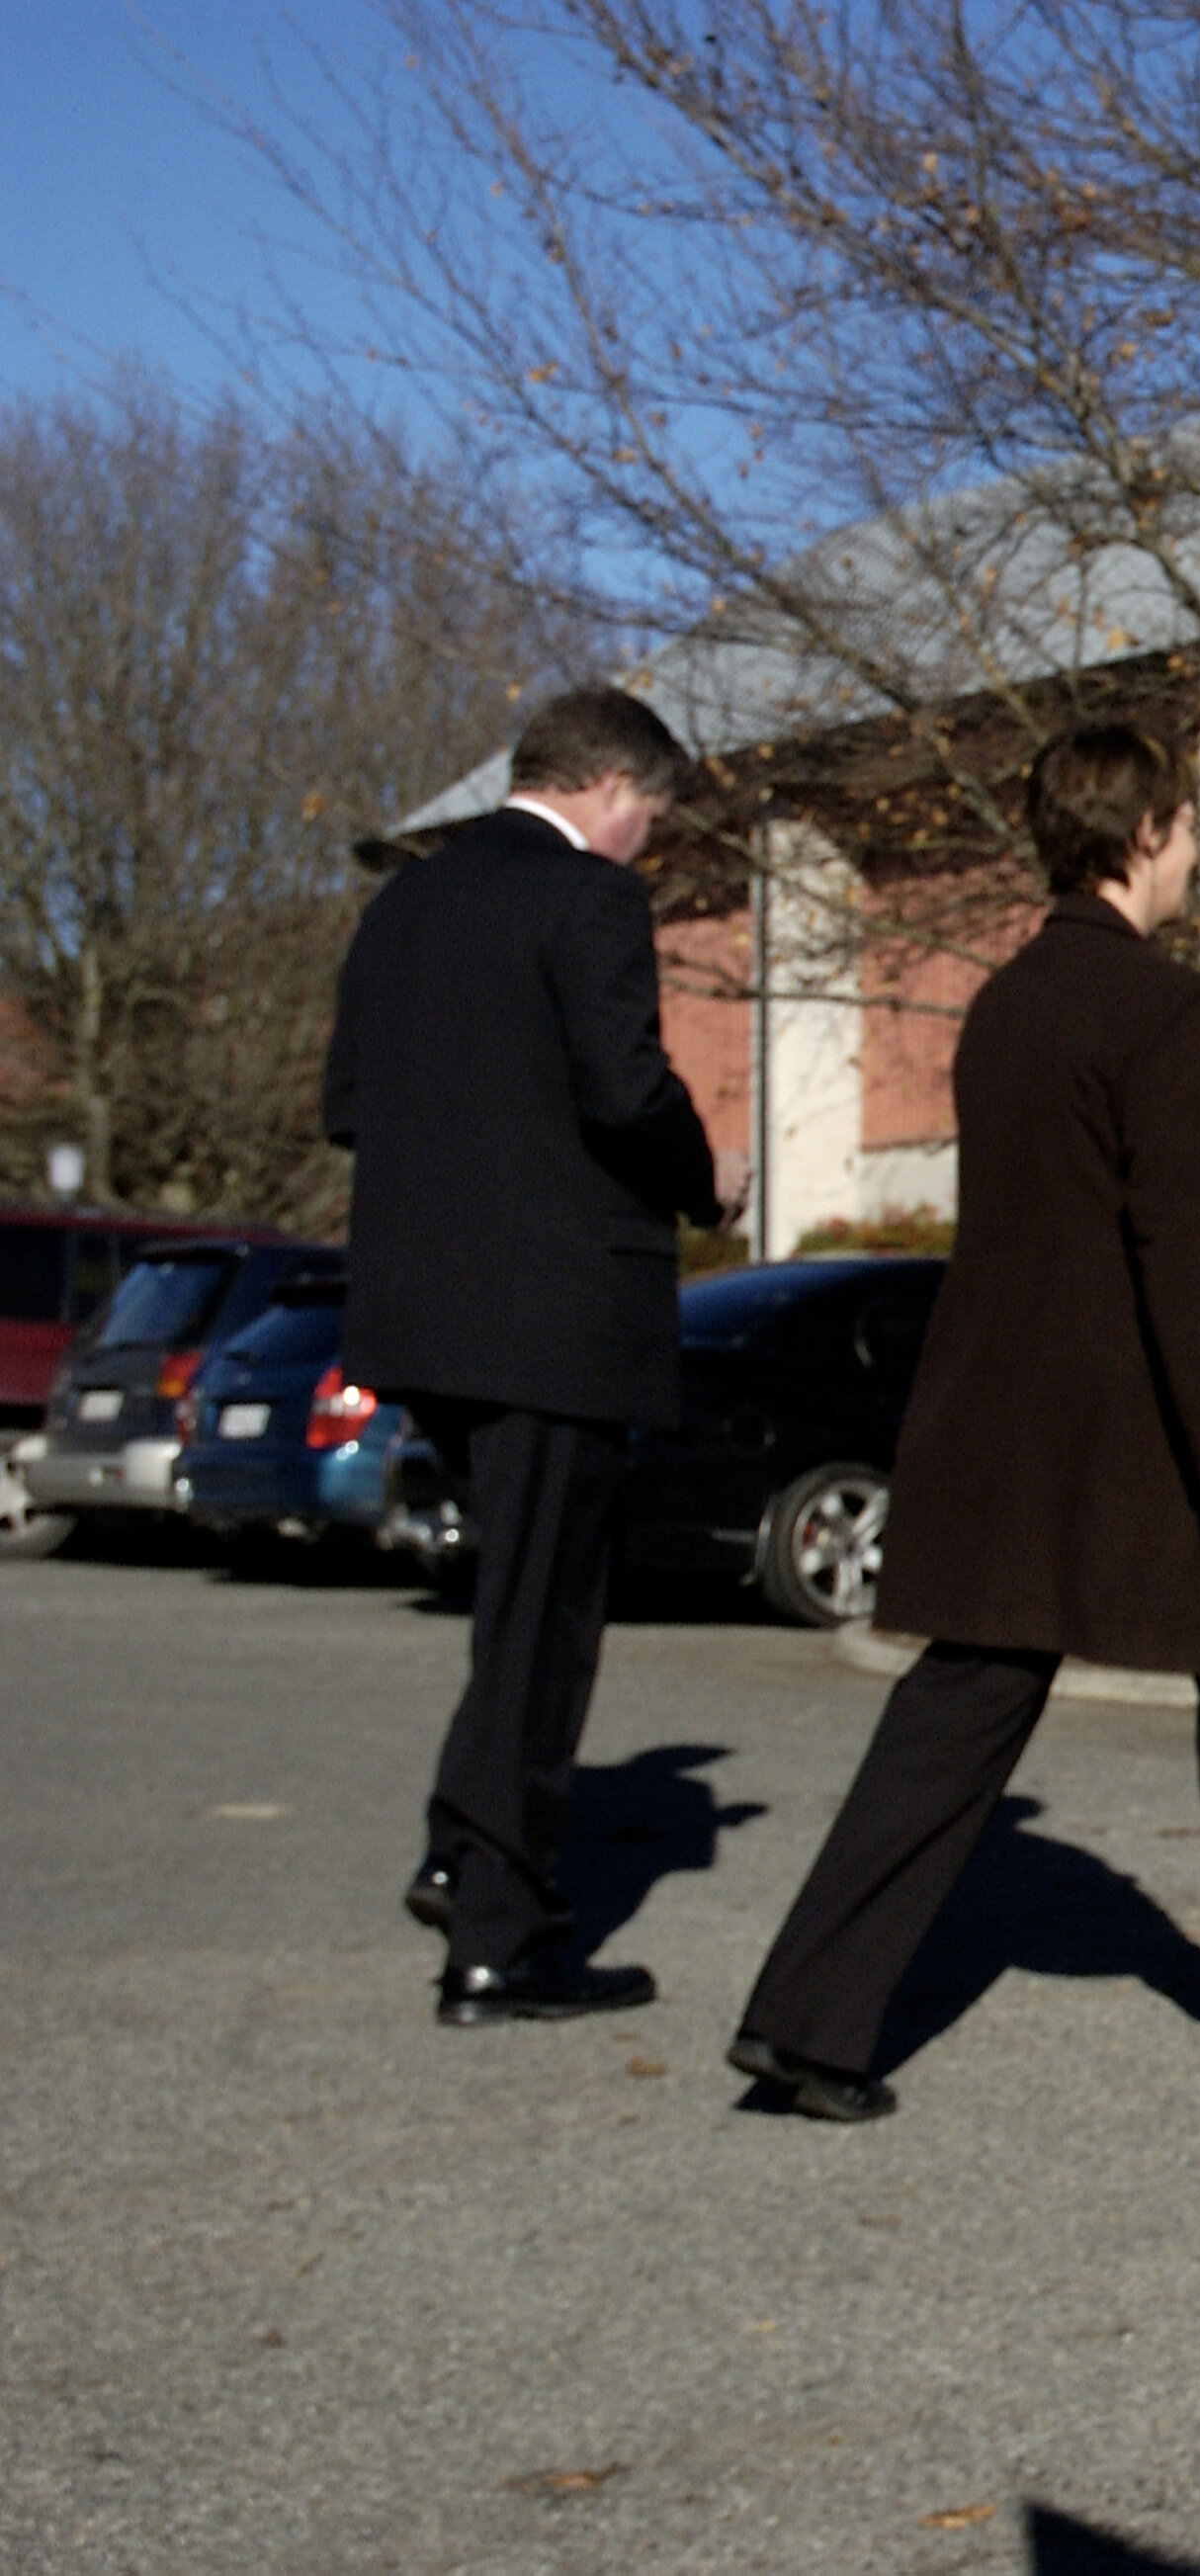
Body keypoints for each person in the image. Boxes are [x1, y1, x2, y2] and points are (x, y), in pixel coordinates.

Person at [727, 724, 1200, 2122]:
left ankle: (808, 2022)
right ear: (1147, 832)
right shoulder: (1158, 1008)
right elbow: (1189, 1245)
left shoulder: (1005, 1004)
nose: (1198, 852)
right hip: (1135, 1439)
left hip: (994, 1422)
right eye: (1187, 827)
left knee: (964, 1702)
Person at [323, 685, 725, 2023]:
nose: (648, 843)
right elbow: (623, 1085)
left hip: (416, 1315)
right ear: (613, 785)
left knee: (512, 1605)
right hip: (553, 1319)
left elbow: (345, 1106)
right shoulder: (591, 902)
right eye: (652, 816)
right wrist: (703, 1172)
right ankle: (499, 1938)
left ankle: (459, 1847)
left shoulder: (404, 907)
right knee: (546, 1624)